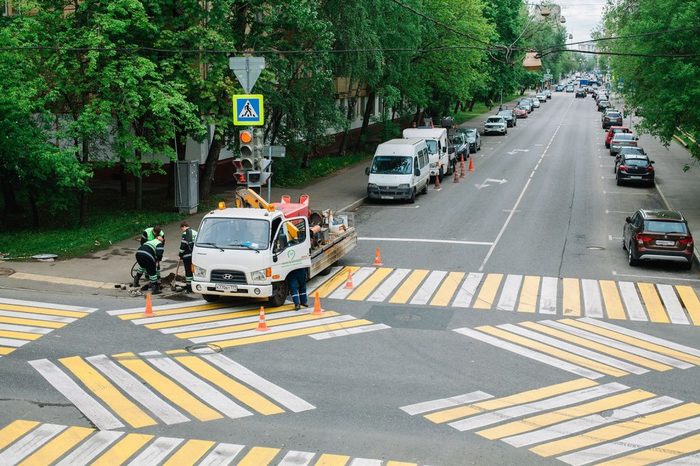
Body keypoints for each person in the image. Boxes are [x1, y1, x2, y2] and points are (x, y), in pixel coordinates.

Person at [178, 221, 197, 293]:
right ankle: (194, 285)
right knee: (194, 271)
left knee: (188, 272)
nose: (182, 230)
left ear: (183, 226)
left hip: (187, 255)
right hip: (195, 255)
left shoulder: (185, 233)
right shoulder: (195, 232)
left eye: (181, 228)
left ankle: (189, 288)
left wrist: (180, 254)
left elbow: (183, 245)